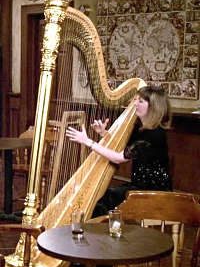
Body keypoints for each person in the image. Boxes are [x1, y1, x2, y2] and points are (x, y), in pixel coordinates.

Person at [66, 85, 173, 217]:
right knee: (105, 199)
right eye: (135, 100)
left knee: (104, 202)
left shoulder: (154, 135)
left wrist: (88, 142)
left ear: (153, 107)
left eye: (140, 101)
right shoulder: (141, 129)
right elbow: (122, 148)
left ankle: (99, 235)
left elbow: (118, 158)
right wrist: (103, 133)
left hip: (153, 193)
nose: (135, 104)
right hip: (140, 188)